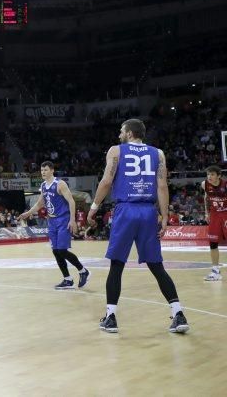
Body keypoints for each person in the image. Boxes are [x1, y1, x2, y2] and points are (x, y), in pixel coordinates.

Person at [87, 119, 189, 334]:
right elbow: (162, 186)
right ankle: (178, 313)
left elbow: (106, 182)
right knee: (156, 266)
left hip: (126, 210)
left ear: (130, 133)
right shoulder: (158, 153)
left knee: (116, 265)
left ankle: (111, 317)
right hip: (148, 211)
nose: (119, 135)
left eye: (121, 131)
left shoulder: (116, 151)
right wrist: (164, 215)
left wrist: (94, 207)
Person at [18, 161, 90, 289]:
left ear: (52, 170)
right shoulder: (44, 186)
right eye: (41, 170)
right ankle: (67, 279)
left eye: (45, 170)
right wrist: (27, 213)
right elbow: (40, 204)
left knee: (62, 250)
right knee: (56, 252)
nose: (43, 173)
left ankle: (83, 270)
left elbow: (71, 201)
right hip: (51, 221)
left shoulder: (60, 184)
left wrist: (72, 220)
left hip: (63, 219)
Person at [202, 165, 226, 281]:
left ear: (219, 176)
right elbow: (206, 197)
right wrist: (207, 213)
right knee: (213, 243)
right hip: (215, 214)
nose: (209, 177)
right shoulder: (205, 184)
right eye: (208, 174)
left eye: (212, 174)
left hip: (226, 214)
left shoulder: (225, 185)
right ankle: (215, 271)